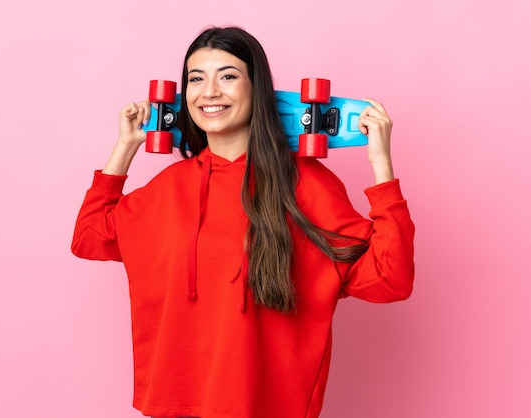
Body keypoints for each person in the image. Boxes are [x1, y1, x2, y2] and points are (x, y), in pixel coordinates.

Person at [71, 26, 414, 418]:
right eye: (196, 79)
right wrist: (125, 146)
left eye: (228, 76)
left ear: (258, 89)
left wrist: (381, 164)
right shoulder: (171, 187)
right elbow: (89, 237)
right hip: (175, 407)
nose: (209, 91)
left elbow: (390, 279)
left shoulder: (305, 184)